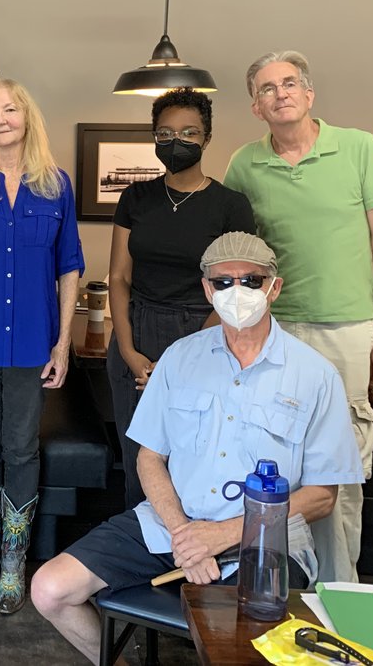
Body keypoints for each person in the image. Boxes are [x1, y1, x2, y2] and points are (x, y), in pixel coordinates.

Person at [30, 232, 363, 665]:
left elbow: (322, 495)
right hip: (169, 525)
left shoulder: (316, 376)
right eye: (222, 283)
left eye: (251, 280)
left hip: (262, 543)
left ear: (274, 288)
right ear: (207, 290)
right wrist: (185, 534)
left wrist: (221, 535)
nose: (236, 292)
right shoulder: (179, 358)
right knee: (50, 590)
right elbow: (149, 456)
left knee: (235, 643)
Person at [224, 50, 373, 583]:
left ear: (308, 94)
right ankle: (277, 580)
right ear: (255, 106)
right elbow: (238, 251)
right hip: (271, 330)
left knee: (341, 466)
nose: (279, 94)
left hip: (345, 328)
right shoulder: (243, 164)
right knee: (270, 455)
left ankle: (342, 589)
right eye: (265, 88)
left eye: (288, 84)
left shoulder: (360, 148)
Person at [0, 78, 84, 615]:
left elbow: (69, 264)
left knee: (21, 447)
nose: (0, 119)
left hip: (33, 340)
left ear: (27, 118)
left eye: (10, 110)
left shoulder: (57, 186)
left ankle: (14, 562)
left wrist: (64, 342)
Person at [106, 88, 254, 508]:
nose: (177, 141)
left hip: (204, 335)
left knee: (195, 454)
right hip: (137, 331)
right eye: (166, 132)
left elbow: (236, 289)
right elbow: (118, 276)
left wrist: (180, 359)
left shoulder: (231, 206)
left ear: (207, 138)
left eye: (189, 132)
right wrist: (128, 348)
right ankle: (143, 553)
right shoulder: (136, 197)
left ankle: (191, 558)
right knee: (138, 454)